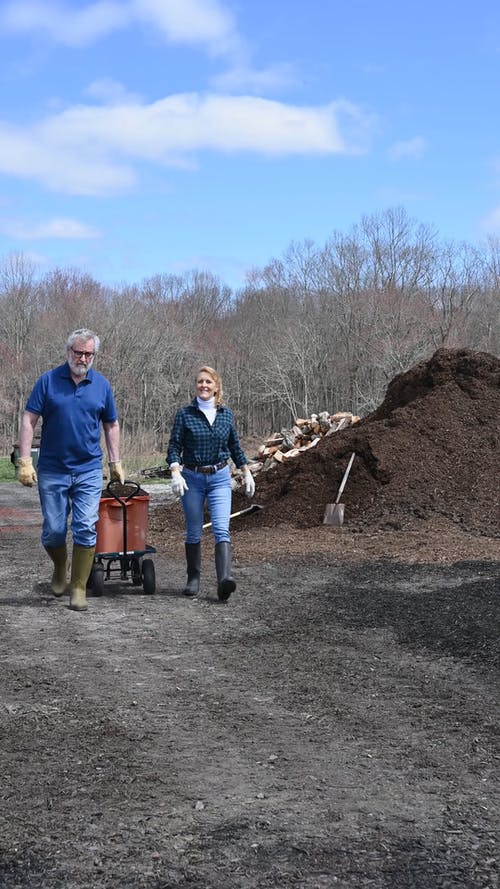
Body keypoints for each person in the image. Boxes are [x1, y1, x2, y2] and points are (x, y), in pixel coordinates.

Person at [17, 328, 124, 612]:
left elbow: (111, 424)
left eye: (89, 354)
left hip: (88, 468)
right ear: (68, 352)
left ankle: (78, 587)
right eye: (79, 352)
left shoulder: (101, 385)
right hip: (53, 469)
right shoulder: (48, 381)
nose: (84, 358)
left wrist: (115, 461)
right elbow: (29, 419)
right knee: (53, 531)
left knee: (86, 528)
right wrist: (25, 460)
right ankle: (60, 564)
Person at [166, 365, 255, 601]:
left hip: (219, 478)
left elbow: (234, 445)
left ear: (217, 387)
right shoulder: (185, 414)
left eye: (208, 382)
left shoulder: (226, 415)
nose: (203, 385)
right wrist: (175, 471)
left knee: (221, 528)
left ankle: (224, 580)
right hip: (192, 479)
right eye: (200, 381)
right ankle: (193, 578)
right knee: (194, 529)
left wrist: (246, 471)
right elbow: (174, 446)